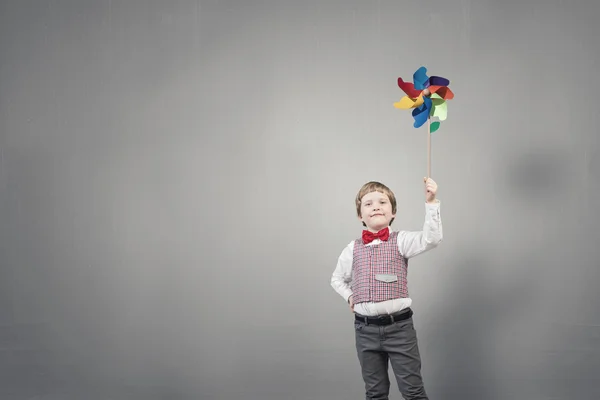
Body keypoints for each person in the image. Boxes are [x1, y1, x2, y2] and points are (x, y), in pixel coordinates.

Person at [330, 178, 443, 400]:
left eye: (382, 202)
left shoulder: (401, 240)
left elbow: (432, 239)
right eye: (368, 203)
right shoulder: (352, 249)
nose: (376, 206)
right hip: (365, 331)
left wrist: (431, 203)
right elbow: (336, 279)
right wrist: (350, 295)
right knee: (375, 393)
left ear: (393, 212)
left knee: (413, 391)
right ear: (360, 215)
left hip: (399, 328)